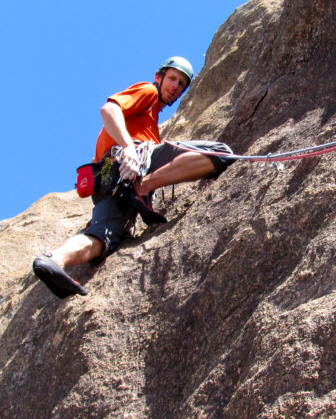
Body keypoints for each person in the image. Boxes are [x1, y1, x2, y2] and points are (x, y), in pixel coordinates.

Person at [32, 56, 235, 298]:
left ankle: (54, 260)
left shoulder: (151, 124)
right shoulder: (148, 92)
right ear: (158, 77)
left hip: (110, 181)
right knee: (221, 153)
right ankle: (144, 188)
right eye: (172, 78)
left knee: (101, 238)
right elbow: (109, 109)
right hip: (128, 162)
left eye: (181, 84)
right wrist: (128, 147)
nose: (175, 87)